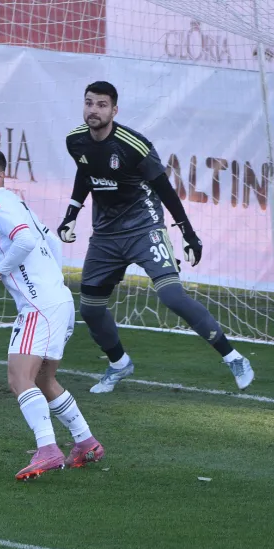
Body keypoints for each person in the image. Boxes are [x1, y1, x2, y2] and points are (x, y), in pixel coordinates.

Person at [57, 81, 253, 393]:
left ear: (114, 110)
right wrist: (71, 213)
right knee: (90, 309)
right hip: (105, 235)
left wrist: (189, 234)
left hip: (144, 228)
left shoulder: (134, 145)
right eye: (89, 103)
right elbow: (86, 172)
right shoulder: (75, 140)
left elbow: (165, 190)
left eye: (101, 105)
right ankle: (119, 364)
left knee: (172, 296)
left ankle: (234, 358)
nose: (93, 110)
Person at [0, 145, 104, 480]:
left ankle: (47, 449)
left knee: (19, 378)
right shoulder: (17, 203)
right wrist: (50, 280)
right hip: (58, 301)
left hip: (40, 306)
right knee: (44, 379)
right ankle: (86, 442)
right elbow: (52, 243)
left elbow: (26, 241)